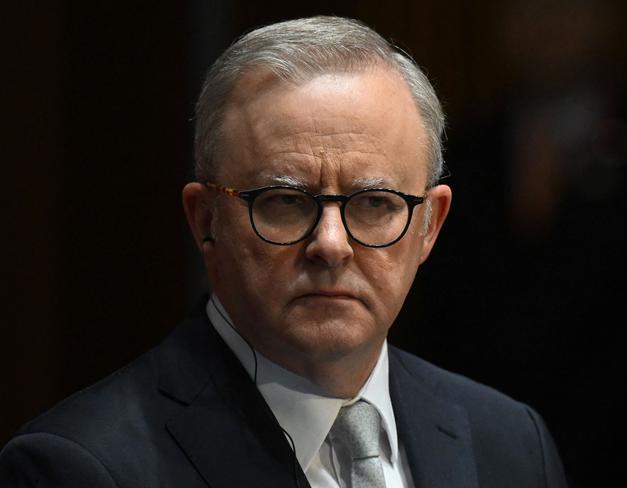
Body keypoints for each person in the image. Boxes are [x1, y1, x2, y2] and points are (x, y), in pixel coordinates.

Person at [0, 16, 567, 487]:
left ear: (429, 225)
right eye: (284, 202)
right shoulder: (81, 467)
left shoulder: (511, 443)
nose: (330, 245)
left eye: (374, 204)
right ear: (205, 220)